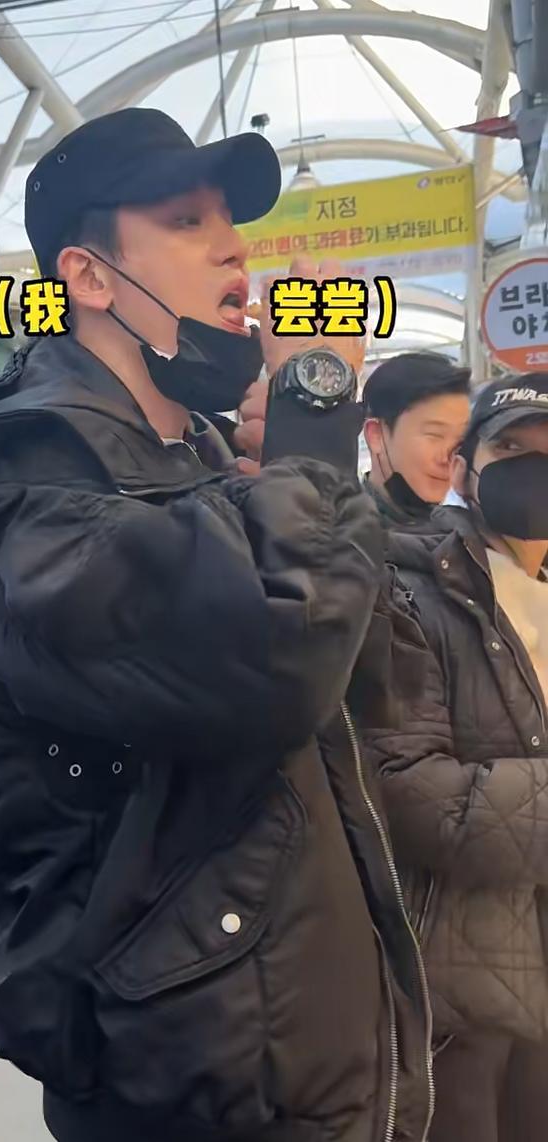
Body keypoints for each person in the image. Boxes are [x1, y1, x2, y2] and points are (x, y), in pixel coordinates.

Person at [0, 108, 432, 1142]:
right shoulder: (17, 497)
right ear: (90, 277)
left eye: (231, 223)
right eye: (187, 221)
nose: (235, 249)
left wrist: (295, 482)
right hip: (191, 1074)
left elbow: (384, 683)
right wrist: (315, 427)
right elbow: (282, 664)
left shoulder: (213, 466)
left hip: (300, 1029)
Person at [361, 374, 548, 1142]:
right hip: (468, 990)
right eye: (511, 448)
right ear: (465, 469)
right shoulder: (410, 590)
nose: (534, 468)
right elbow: (405, 787)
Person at [361, 352, 471, 527]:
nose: (448, 459)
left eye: (460, 440)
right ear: (376, 435)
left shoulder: (467, 533)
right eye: (435, 435)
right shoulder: (340, 534)